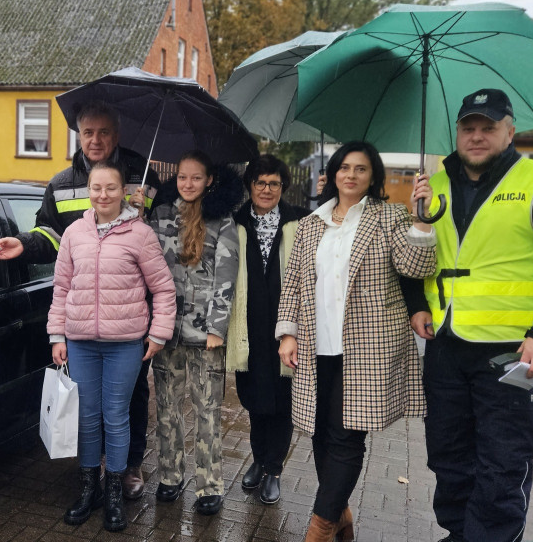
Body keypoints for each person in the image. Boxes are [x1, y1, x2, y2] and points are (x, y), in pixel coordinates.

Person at [405, 88, 533, 542]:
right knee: (448, 455)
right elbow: (417, 258)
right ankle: (460, 533)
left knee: (503, 461)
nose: (476, 136)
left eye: (488, 127)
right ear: (457, 133)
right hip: (447, 348)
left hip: (513, 352)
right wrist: (417, 303)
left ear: (509, 132)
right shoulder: (434, 187)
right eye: (468, 127)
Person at [0, 100, 160, 499]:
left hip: (128, 309)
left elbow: (163, 236)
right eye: (88, 133)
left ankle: (129, 464)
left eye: (104, 132)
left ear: (116, 134)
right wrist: (24, 244)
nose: (95, 140)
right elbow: (50, 236)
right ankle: (94, 465)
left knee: (132, 394)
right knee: (89, 400)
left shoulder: (144, 176)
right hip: (83, 313)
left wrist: (144, 217)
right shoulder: (61, 183)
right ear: (79, 135)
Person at [276, 141, 437, 541]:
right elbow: (293, 282)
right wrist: (287, 332)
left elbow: (416, 266)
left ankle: (320, 527)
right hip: (315, 344)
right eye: (344, 167)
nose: (351, 175)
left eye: (361, 169)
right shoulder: (311, 223)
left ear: (373, 176)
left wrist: (422, 221)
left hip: (367, 348)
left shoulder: (389, 216)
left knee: (347, 435)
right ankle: (340, 512)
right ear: (332, 173)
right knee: (319, 431)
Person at [48, 161, 176, 531]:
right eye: (96, 188)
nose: (103, 195)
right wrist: (57, 335)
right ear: (89, 191)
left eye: (110, 188)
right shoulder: (74, 233)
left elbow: (163, 289)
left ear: (123, 192)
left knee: (116, 416)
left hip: (124, 344)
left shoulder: (141, 234)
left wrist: (158, 333)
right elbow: (62, 287)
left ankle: (114, 493)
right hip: (81, 342)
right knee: (88, 417)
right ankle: (90, 489)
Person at [149, 150, 242, 516]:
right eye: (182, 177)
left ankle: (209, 485)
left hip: (205, 334)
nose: (188, 184)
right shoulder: (160, 215)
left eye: (196, 177)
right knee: (167, 407)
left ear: (209, 180)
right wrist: (136, 212)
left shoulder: (222, 219)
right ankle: (170, 476)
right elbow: (146, 263)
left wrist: (217, 328)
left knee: (207, 410)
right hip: (166, 328)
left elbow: (226, 277)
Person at [225, 154, 309, 505]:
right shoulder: (235, 222)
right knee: (255, 400)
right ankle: (259, 459)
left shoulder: (300, 221)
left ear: (283, 186)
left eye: (274, 183)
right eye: (260, 182)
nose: (267, 189)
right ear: (250, 185)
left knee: (283, 401)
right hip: (248, 326)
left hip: (287, 328)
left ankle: (273, 469)